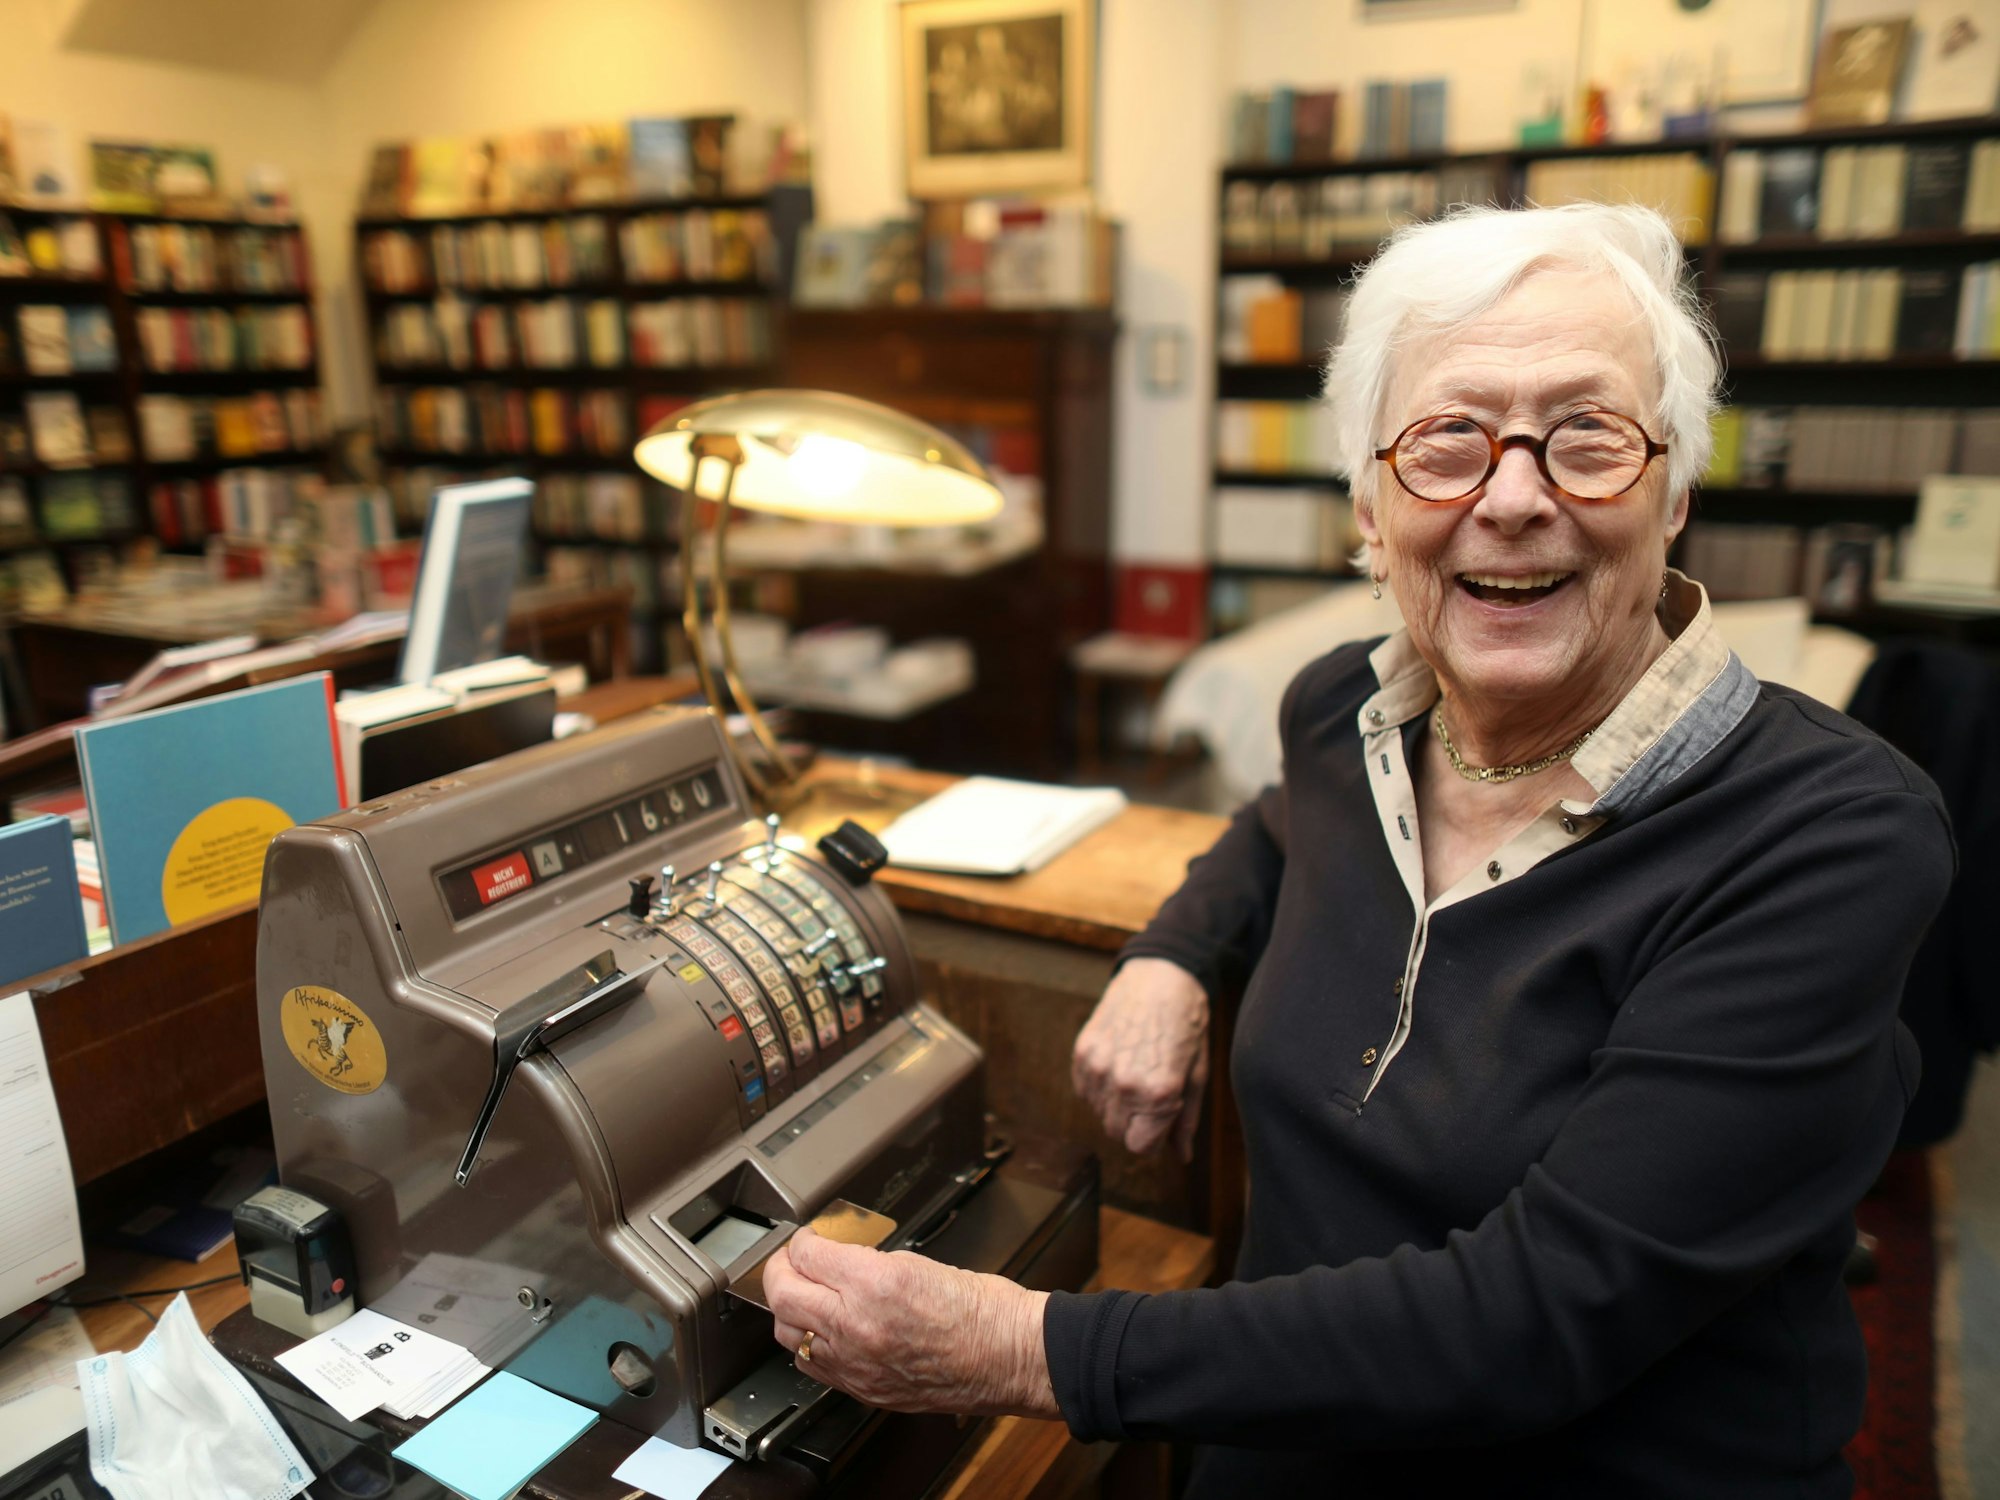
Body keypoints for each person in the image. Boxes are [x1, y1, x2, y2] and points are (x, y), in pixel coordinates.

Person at [762, 202, 1954, 1497]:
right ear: (1372, 512)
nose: (1512, 497)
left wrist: (1022, 1346)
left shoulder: (1829, 836)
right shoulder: (1344, 711)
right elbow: (1271, 829)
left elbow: (1535, 1317)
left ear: (1673, 493)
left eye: (1588, 437)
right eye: (1447, 441)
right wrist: (1172, 957)